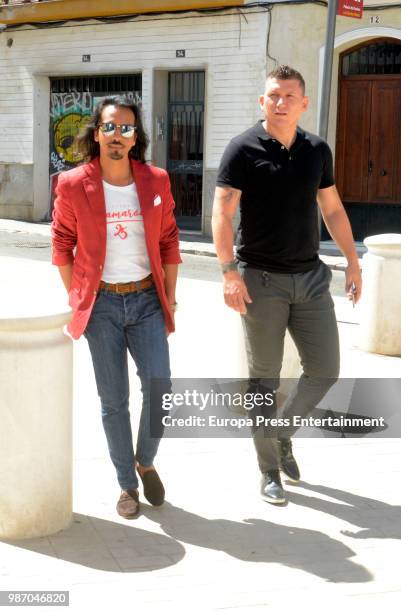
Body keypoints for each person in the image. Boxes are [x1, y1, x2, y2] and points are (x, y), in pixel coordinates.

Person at [212, 65, 362, 504]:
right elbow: (222, 212)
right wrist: (227, 271)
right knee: (263, 379)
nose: (280, 102)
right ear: (263, 101)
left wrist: (353, 262)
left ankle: (280, 432)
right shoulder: (242, 148)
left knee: (325, 370)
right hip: (260, 280)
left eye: (288, 96)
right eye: (273, 95)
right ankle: (269, 470)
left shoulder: (317, 149)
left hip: (312, 278)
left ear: (303, 103)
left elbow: (331, 209)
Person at [51, 96, 181, 518]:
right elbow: (62, 245)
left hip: (146, 300)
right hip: (102, 306)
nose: (118, 135)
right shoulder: (72, 183)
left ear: (136, 137)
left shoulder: (156, 180)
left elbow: (169, 241)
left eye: (127, 128)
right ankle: (127, 483)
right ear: (96, 132)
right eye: (110, 127)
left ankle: (146, 460)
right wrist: (78, 299)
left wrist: (170, 296)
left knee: (160, 388)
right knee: (114, 401)